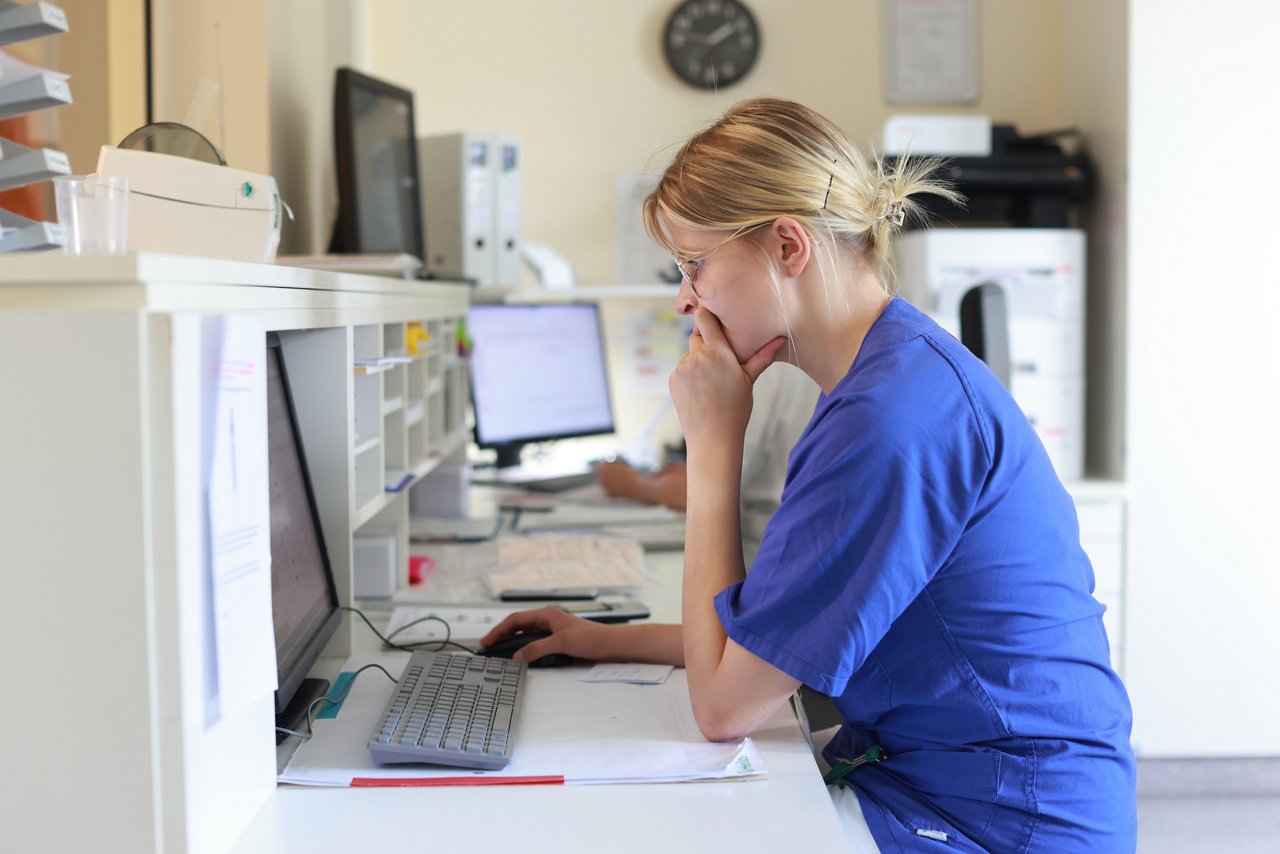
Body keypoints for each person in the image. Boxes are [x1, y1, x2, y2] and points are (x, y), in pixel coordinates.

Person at [481, 98, 1137, 851]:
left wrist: (714, 442)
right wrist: (604, 639)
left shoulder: (888, 421)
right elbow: (771, 640)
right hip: (940, 779)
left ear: (787, 245)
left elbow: (722, 707)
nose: (685, 298)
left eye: (695, 264)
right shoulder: (883, 375)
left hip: (999, 821)